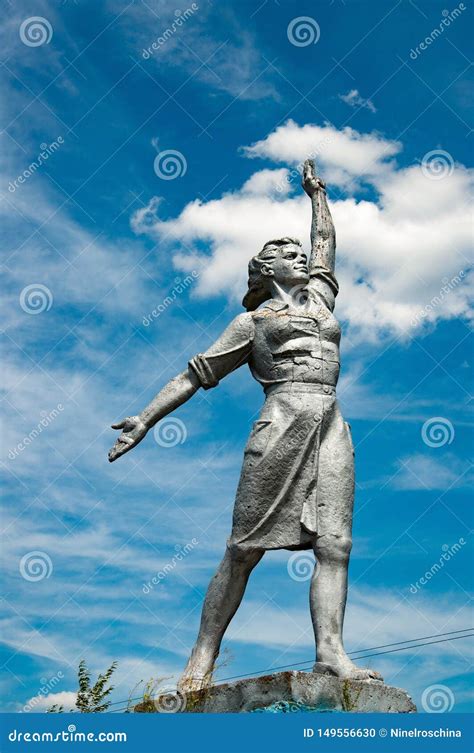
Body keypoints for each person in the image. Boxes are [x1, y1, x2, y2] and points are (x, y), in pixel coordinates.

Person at [109, 160, 382, 689]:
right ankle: (201, 661)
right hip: (279, 424)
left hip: (330, 423)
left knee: (336, 545)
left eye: (301, 254)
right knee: (244, 548)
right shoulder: (251, 323)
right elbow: (196, 374)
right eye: (289, 255)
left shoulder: (321, 301)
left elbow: (324, 245)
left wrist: (317, 196)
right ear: (265, 268)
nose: (301, 258)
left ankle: (330, 652)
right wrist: (145, 419)